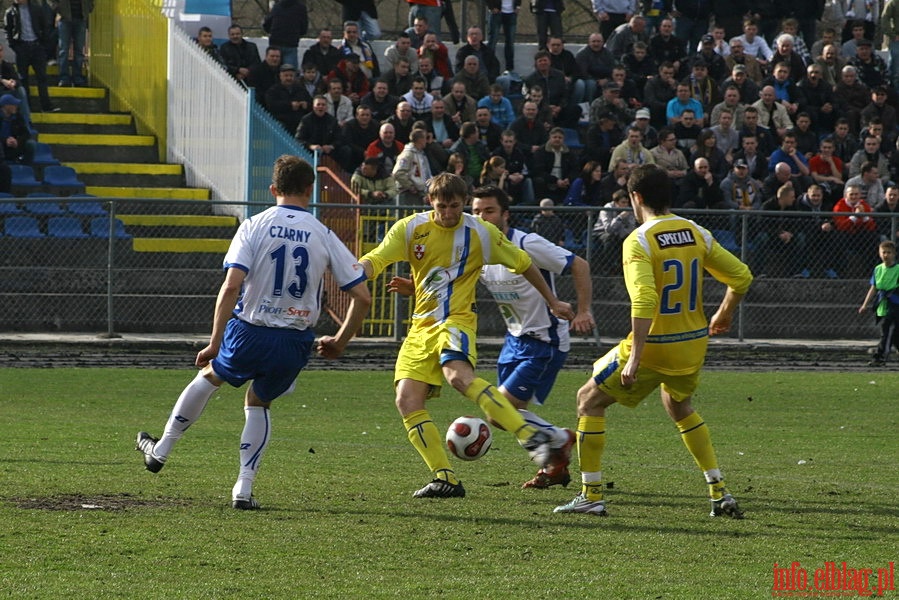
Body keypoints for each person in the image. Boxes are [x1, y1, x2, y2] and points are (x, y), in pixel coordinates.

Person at [135, 155, 371, 510]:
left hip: (250, 329)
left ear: (273, 189)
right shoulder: (323, 234)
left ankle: (161, 450)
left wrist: (215, 342)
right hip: (294, 340)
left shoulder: (254, 225)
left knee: (210, 375)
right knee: (259, 402)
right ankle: (243, 489)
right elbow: (362, 296)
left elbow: (231, 287)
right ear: (310, 190)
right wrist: (340, 341)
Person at [554, 163, 752, 518]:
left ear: (636, 197)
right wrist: (724, 313)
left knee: (588, 400)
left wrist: (635, 358)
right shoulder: (695, 232)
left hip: (656, 345)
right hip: (692, 344)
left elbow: (644, 300)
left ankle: (591, 495)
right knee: (678, 406)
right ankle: (719, 491)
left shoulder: (640, 239)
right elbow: (741, 276)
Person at [359, 172, 575, 498]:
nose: (448, 213)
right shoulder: (410, 228)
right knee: (406, 400)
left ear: (463, 204)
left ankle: (532, 439)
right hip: (420, 327)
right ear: (430, 203)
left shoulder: (480, 232)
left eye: (455, 206)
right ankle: (445, 477)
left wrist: (552, 300)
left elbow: (523, 262)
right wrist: (355, 272)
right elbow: (378, 258)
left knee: (457, 377)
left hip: (455, 321)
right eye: (442, 206)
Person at [4, 0, 56, 112]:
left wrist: (43, 45)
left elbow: (45, 26)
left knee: (42, 77)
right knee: (23, 79)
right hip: (22, 47)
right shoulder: (10, 12)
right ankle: (27, 107)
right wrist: (15, 47)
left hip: (37, 46)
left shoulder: (36, 8)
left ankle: (46, 106)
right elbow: (8, 30)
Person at [858, 241, 899, 366]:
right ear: (879, 253)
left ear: (894, 254)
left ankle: (880, 357)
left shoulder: (897, 269)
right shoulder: (878, 269)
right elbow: (873, 288)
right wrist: (865, 304)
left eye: (889, 252)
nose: (886, 255)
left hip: (895, 305)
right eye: (884, 252)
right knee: (894, 334)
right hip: (883, 305)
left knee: (887, 330)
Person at [262, 0, 308, 71]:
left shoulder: (276, 6)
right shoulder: (301, 8)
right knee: (290, 73)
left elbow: (267, 24)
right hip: (291, 43)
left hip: (275, 43)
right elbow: (304, 28)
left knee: (271, 70)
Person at [265, 64, 311, 135]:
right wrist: (289, 105)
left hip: (299, 123)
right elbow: (271, 105)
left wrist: (306, 105)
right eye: (286, 76)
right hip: (281, 122)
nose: (289, 78)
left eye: (291, 76)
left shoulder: (301, 89)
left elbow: (311, 103)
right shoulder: (273, 90)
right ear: (280, 76)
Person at [55, 0, 92, 87]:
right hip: (64, 18)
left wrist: (88, 8)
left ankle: (78, 77)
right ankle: (63, 77)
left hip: (81, 17)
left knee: (79, 50)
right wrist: (58, 8)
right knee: (63, 50)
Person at [393, 128, 432, 204]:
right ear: (420, 139)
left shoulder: (421, 154)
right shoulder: (408, 154)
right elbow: (398, 173)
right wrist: (410, 186)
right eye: (425, 138)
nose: (426, 141)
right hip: (407, 194)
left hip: (418, 194)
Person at [486, 0, 519, 72]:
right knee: (493, 40)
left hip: (511, 12)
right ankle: (488, 66)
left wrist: (518, 6)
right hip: (496, 12)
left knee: (510, 42)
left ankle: (510, 69)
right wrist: (491, 7)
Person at [0, 93, 34, 163]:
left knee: (31, 144)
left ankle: (25, 166)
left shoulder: (18, 117)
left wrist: (17, 141)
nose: (16, 106)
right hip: (2, 145)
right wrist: (5, 141)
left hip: (14, 145)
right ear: (6, 106)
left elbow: (26, 133)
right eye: (13, 104)